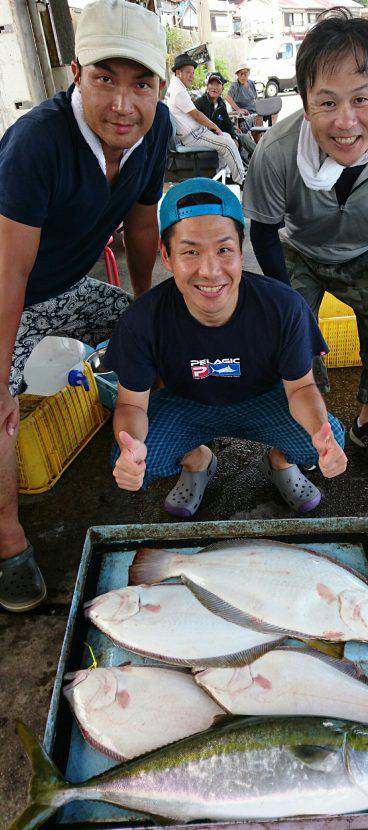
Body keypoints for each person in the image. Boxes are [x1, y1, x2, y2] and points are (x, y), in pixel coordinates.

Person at [0, 0, 172, 612]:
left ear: (163, 84)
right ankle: (7, 539)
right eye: (105, 79)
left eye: (141, 84)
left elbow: (144, 222)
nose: (123, 105)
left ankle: (164, 442)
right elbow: (9, 273)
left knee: (154, 335)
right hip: (9, 293)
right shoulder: (35, 143)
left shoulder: (160, 130)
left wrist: (148, 307)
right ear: (76, 73)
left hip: (69, 283)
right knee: (1, 406)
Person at [244, 8, 368, 474]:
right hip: (299, 251)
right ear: (306, 100)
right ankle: (306, 431)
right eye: (327, 102)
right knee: (288, 339)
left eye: (361, 99)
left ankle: (367, 425)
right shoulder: (276, 150)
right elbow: (263, 231)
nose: (345, 122)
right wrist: (287, 305)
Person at [104, 179, 347, 517]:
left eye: (223, 249)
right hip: (187, 405)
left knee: (327, 435)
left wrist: (321, 434)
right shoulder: (142, 320)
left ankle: (279, 461)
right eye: (190, 251)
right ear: (167, 255)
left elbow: (302, 387)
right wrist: (131, 448)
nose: (210, 270)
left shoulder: (283, 306)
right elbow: (132, 404)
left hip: (264, 400)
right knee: (129, 455)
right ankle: (197, 460)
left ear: (240, 249)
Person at [166, 55, 245, 185]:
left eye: (192, 73)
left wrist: (228, 133)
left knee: (227, 137)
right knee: (227, 144)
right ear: (178, 72)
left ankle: (222, 177)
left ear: (222, 88)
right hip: (193, 136)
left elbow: (225, 122)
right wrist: (215, 127)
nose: (191, 76)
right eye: (188, 72)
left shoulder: (176, 87)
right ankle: (241, 180)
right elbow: (196, 115)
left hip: (196, 133)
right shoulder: (179, 91)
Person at [195, 73, 256, 163]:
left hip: (221, 134)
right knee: (234, 140)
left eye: (217, 85)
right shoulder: (200, 102)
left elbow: (227, 123)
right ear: (207, 86)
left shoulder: (221, 104)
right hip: (208, 137)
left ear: (222, 88)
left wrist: (234, 137)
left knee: (243, 137)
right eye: (211, 84)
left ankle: (260, 157)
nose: (214, 88)